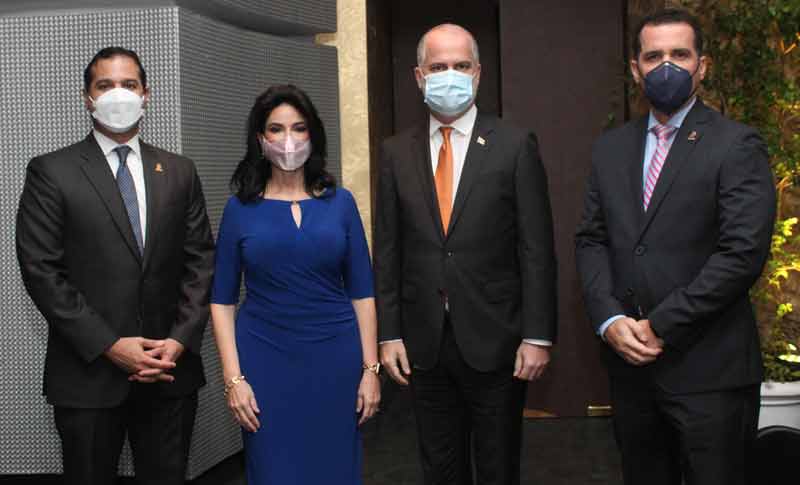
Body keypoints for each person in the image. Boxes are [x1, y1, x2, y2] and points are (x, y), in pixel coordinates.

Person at [575, 9, 776, 485]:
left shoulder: (737, 145)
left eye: (680, 55)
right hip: (631, 372)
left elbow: (742, 254)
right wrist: (609, 319)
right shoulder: (610, 148)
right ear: (635, 69)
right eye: (654, 56)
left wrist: (660, 324)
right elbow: (591, 239)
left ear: (702, 66)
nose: (666, 67)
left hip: (711, 373)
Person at [15, 47, 214, 485]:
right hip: (88, 377)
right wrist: (110, 345)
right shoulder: (51, 171)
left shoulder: (179, 171)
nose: (117, 94)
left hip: (169, 373)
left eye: (129, 84)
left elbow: (201, 263)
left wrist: (179, 341)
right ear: (87, 98)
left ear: (146, 95)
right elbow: (42, 272)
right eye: (105, 85)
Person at [373, 23, 558, 485]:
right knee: (439, 468)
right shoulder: (395, 153)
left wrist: (537, 336)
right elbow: (389, 249)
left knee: (498, 467)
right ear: (419, 77)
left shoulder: (515, 144)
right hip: (425, 343)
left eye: (460, 65)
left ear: (477, 74)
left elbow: (536, 248)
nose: (449, 75)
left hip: (498, 340)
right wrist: (389, 333)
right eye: (438, 67)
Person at [210, 84, 379, 485]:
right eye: (276, 129)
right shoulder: (239, 209)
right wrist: (233, 380)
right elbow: (221, 301)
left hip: (336, 361)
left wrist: (370, 369)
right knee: (274, 471)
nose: (288, 139)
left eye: (299, 128)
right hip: (264, 362)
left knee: (335, 470)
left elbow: (363, 292)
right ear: (260, 139)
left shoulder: (341, 203)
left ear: (313, 135)